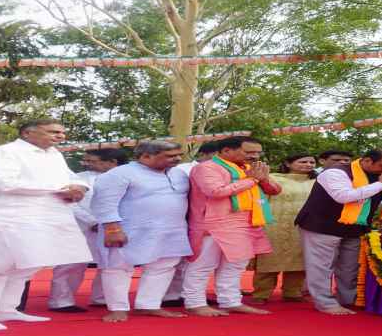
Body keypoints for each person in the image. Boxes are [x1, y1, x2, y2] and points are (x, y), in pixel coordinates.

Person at [0, 119, 93, 331]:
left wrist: (79, 187)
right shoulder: (5, 152)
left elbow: (71, 178)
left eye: (61, 132)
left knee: (26, 267)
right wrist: (60, 189)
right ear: (27, 133)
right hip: (8, 218)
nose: (60, 136)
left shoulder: (54, 155)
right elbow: (4, 183)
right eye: (53, 132)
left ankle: (6, 309)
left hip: (46, 218)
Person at [91, 140, 192, 323]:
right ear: (146, 156)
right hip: (128, 229)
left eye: (178, 155)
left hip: (171, 229)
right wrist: (112, 228)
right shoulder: (119, 174)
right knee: (117, 267)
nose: (177, 159)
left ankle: (149, 305)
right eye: (170, 156)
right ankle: (117, 308)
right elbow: (104, 203)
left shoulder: (179, 174)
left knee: (164, 266)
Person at [295, 148, 382, 315]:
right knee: (322, 267)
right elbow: (344, 196)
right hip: (322, 225)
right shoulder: (335, 173)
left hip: (356, 227)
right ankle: (325, 303)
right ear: (368, 161)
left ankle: (349, 299)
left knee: (350, 268)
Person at [182, 136, 280, 316]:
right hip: (213, 224)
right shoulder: (207, 168)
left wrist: (263, 179)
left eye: (258, 152)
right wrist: (251, 180)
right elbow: (215, 191)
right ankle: (194, 303)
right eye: (249, 152)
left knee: (235, 265)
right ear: (226, 151)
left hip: (245, 224)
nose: (254, 156)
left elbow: (275, 190)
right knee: (203, 264)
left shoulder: (250, 169)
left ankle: (231, 301)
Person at [48, 148, 128, 312]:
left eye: (92, 160)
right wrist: (92, 221)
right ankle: (61, 301)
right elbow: (69, 202)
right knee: (72, 263)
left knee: (111, 263)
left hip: (116, 226)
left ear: (112, 162)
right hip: (81, 226)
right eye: (86, 160)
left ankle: (103, 298)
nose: (86, 163)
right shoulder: (79, 179)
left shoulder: (128, 176)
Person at [162, 140, 222, 308]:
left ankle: (189, 294)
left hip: (205, 220)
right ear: (203, 154)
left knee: (196, 259)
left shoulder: (224, 171)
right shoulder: (181, 170)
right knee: (177, 259)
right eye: (216, 155)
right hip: (183, 218)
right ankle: (170, 295)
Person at [252, 153, 316, 304]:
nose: (308, 165)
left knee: (299, 260)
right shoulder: (272, 178)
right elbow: (264, 194)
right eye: (303, 161)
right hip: (274, 224)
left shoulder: (317, 181)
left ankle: (293, 292)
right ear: (288, 163)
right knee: (269, 260)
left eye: (311, 162)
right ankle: (261, 294)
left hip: (304, 225)